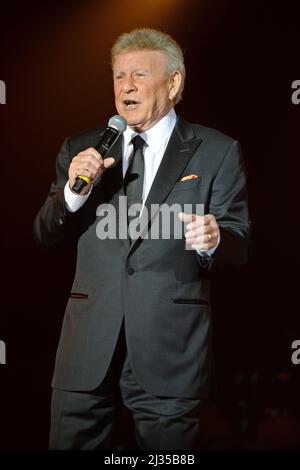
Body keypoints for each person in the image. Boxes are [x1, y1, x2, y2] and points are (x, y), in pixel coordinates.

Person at [34, 27, 250, 450]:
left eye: (138, 75)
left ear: (174, 83)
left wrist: (214, 239)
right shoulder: (83, 149)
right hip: (86, 351)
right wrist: (74, 193)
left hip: (170, 349)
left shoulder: (216, 150)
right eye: (118, 76)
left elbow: (239, 243)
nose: (125, 87)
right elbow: (44, 234)